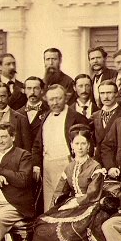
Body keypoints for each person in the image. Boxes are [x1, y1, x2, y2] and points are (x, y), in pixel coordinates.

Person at [23, 124, 121, 241]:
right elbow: (60, 190)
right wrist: (56, 206)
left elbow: (93, 193)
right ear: (71, 146)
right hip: (73, 203)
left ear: (89, 146)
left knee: (72, 228)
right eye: (77, 144)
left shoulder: (95, 166)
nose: (80, 147)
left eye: (83, 144)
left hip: (92, 205)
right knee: (44, 226)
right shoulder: (69, 166)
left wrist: (77, 201)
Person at [32, 84, 89, 212]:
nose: (55, 102)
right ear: (46, 100)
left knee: (67, 202)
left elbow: (87, 144)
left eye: (58, 98)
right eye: (51, 99)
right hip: (48, 166)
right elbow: (37, 144)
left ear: (66, 98)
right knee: (49, 202)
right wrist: (36, 165)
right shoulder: (45, 117)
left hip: (68, 164)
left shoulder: (77, 117)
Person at [90, 80, 121, 162]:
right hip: (98, 161)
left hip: (116, 161)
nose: (105, 97)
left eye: (109, 93)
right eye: (102, 93)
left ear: (116, 94)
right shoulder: (95, 116)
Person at [18, 76, 49, 141]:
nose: (32, 92)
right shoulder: (17, 114)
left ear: (42, 90)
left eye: (36, 88)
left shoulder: (49, 112)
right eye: (29, 88)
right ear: (24, 91)